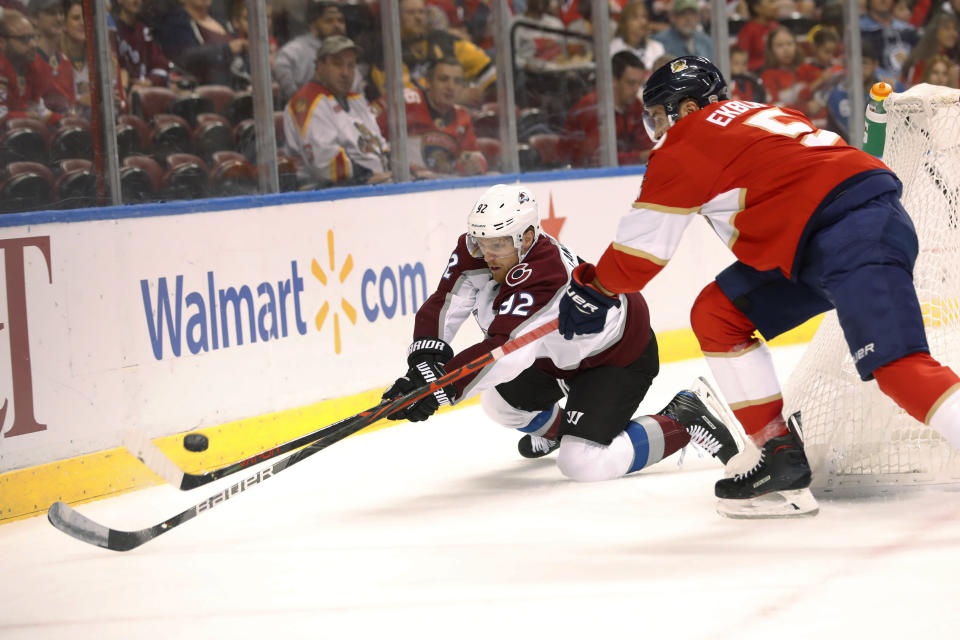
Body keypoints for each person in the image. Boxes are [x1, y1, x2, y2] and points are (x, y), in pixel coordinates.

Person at [557, 56, 960, 514]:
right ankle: (778, 457)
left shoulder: (688, 140)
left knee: (900, 368)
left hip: (851, 235)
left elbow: (638, 257)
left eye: (658, 115)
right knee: (718, 313)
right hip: (823, 242)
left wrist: (594, 287)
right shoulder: (760, 113)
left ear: (686, 108)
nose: (657, 128)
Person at [382, 183, 740, 483]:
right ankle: (564, 430)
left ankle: (683, 418)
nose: (486, 253)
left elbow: (507, 351)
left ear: (526, 237)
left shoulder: (545, 273)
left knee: (582, 463)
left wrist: (439, 389)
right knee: (498, 404)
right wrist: (426, 362)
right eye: (481, 241)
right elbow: (448, 301)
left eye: (498, 244)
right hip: (556, 358)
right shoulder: (477, 249)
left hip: (613, 357)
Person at [282, 35, 390, 186]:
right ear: (320, 66)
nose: (345, 73)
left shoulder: (356, 100)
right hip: (325, 194)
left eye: (351, 65)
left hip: (370, 185)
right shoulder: (308, 101)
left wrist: (404, 170)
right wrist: (368, 176)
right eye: (337, 64)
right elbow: (325, 163)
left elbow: (379, 144)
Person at [370, 0, 495, 107]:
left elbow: (489, 72)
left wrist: (486, 94)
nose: (418, 18)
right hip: (413, 127)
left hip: (457, 122)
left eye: (421, 12)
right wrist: (455, 97)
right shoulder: (387, 53)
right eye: (410, 13)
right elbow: (403, 100)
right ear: (396, 18)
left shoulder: (445, 41)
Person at [376, 57, 487, 178]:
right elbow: (367, 130)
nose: (451, 87)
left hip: (441, 186)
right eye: (443, 79)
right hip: (405, 186)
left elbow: (474, 155)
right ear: (428, 82)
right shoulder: (404, 102)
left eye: (457, 81)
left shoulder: (461, 115)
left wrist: (474, 163)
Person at [562, 50, 654, 167]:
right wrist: (641, 156)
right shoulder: (591, 109)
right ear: (614, 81)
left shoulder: (635, 105)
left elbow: (647, 144)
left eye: (640, 83)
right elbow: (597, 159)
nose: (637, 89)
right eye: (631, 83)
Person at [272, 0, 361, 104]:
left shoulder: (348, 53)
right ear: (313, 25)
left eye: (341, 21)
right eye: (329, 21)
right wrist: (297, 100)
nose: (337, 25)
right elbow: (279, 66)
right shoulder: (296, 49)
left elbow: (358, 92)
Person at [155, 0, 248, 87]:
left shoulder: (223, 21)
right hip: (203, 90)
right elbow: (183, 57)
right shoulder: (175, 22)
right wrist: (227, 49)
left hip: (237, 86)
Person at [0, 9, 52, 124]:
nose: (33, 44)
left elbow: (38, 110)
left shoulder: (31, 67)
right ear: (2, 43)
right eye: (24, 39)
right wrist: (25, 116)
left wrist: (61, 119)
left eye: (34, 37)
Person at [27, 0, 75, 115]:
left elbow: (72, 105)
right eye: (51, 13)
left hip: (65, 128)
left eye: (61, 13)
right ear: (34, 18)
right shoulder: (27, 59)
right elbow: (28, 106)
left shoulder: (66, 62)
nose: (59, 18)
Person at [113, 0, 172, 92]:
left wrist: (150, 82)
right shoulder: (113, 31)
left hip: (146, 89)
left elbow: (160, 64)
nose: (137, 1)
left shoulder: (143, 29)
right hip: (125, 93)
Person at [860, 0, 919, 84]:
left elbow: (919, 64)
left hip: (908, 88)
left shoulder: (908, 31)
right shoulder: (859, 30)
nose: (883, 0)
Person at [901, 13, 958, 86]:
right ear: (935, 32)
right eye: (947, 29)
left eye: (955, 29)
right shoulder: (922, 60)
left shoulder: (952, 60)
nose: (954, 34)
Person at [610, 1, 665, 72]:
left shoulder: (657, 48)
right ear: (624, 22)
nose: (643, 22)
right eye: (635, 17)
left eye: (644, 16)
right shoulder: (614, 48)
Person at [736, 0, 779, 73]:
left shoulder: (776, 27)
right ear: (757, 8)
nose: (776, 6)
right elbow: (741, 60)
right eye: (771, 3)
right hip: (756, 74)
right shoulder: (748, 31)